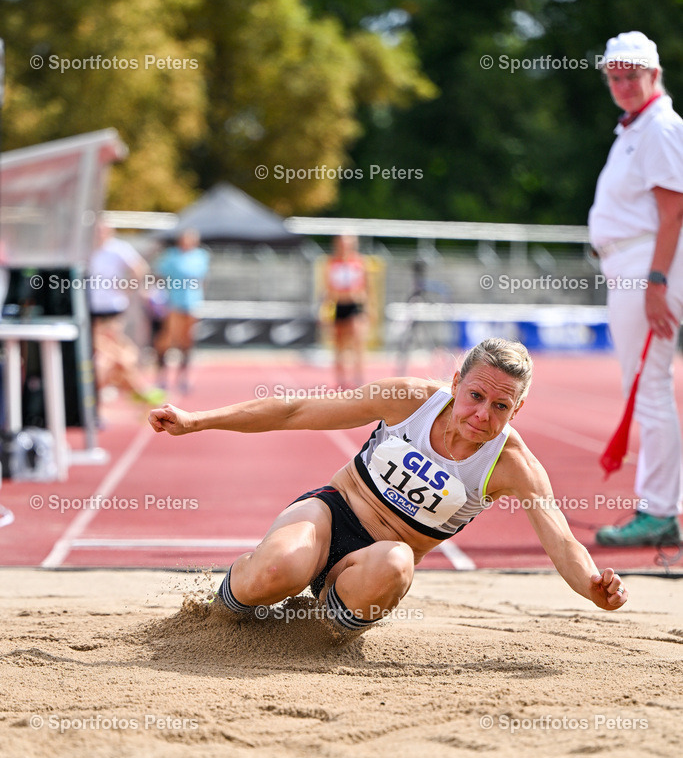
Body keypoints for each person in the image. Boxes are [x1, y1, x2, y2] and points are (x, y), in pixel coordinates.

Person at [148, 338, 628, 641]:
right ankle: (218, 615)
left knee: (398, 562)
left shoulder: (512, 465)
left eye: (501, 407)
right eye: (476, 396)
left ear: (516, 410)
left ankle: (311, 636)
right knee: (276, 570)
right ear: (456, 383)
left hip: (376, 564)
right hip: (331, 513)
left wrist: (592, 586)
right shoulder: (409, 400)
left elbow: (561, 539)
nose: (483, 415)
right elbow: (296, 411)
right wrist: (196, 421)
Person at [589, 31, 683, 548]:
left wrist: (657, 281)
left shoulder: (660, 127)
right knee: (646, 388)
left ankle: (661, 511)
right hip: (632, 264)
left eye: (632, 75)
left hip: (648, 266)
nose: (623, 84)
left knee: (649, 389)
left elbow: (674, 211)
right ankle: (659, 507)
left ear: (654, 74)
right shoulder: (635, 127)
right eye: (615, 76)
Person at [89, 222, 164, 406]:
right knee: (109, 352)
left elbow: (139, 268)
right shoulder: (87, 248)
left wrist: (128, 287)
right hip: (91, 308)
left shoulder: (118, 248)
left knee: (107, 352)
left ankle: (131, 388)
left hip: (112, 307)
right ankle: (137, 388)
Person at [154, 229, 210, 394]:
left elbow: (202, 279)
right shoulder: (171, 256)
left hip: (192, 304)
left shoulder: (200, 256)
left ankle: (183, 378)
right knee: (167, 341)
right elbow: (159, 275)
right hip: (173, 304)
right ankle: (162, 378)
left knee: (187, 342)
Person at [323, 234, 369, 389]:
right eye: (342, 243)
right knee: (339, 345)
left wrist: (368, 308)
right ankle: (341, 381)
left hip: (354, 305)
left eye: (347, 243)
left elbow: (367, 287)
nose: (344, 246)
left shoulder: (359, 261)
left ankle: (358, 380)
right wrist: (326, 311)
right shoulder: (332, 262)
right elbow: (328, 288)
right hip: (338, 305)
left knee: (357, 341)